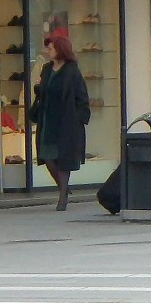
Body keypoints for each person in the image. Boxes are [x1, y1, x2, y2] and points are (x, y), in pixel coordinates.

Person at [30, 35, 90, 211]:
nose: (48, 51)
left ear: (60, 50)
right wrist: (38, 87)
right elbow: (43, 93)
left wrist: (80, 117)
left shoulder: (72, 71)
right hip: (48, 118)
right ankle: (64, 187)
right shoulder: (47, 69)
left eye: (51, 48)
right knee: (47, 156)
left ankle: (62, 197)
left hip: (66, 121)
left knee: (63, 158)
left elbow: (82, 96)